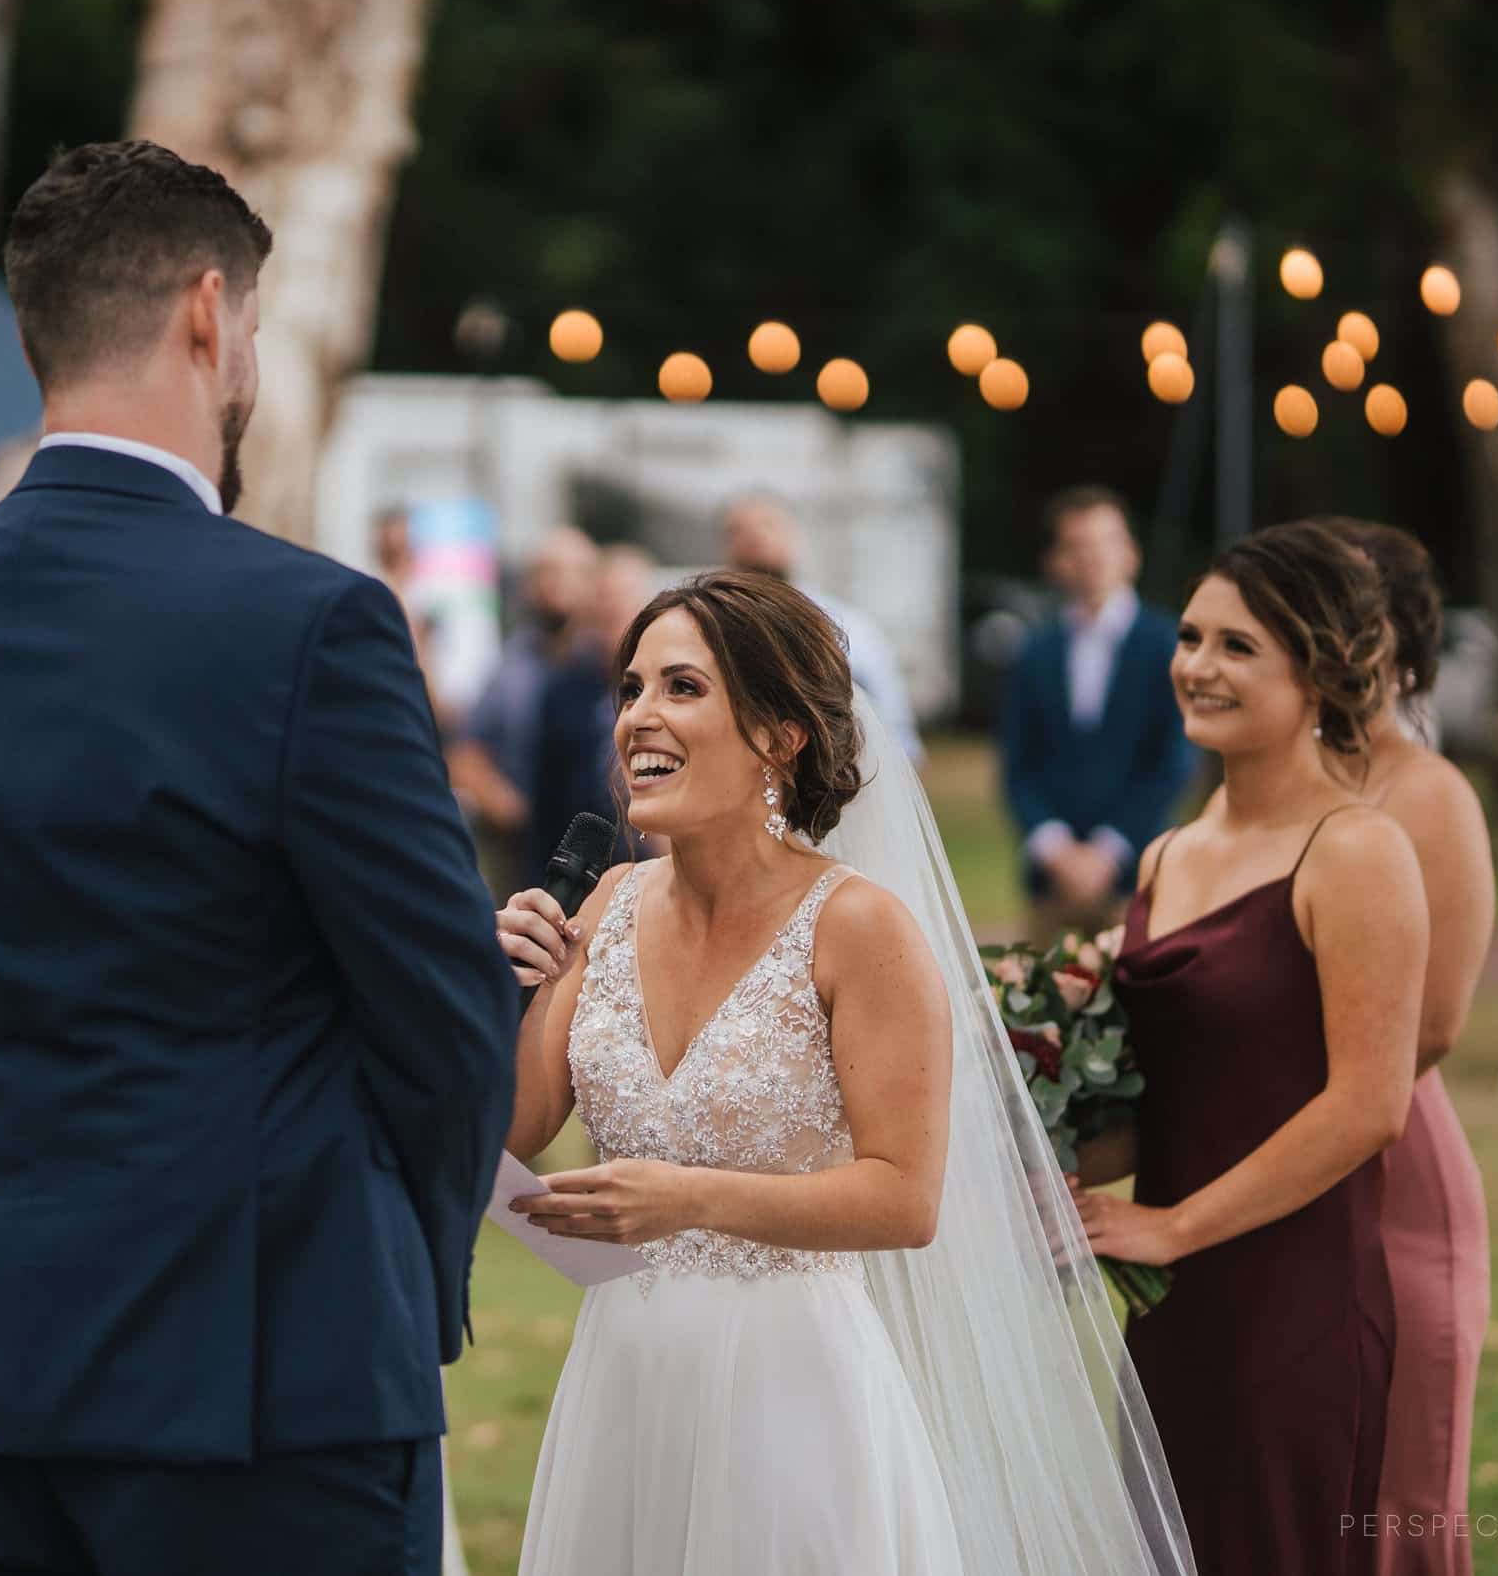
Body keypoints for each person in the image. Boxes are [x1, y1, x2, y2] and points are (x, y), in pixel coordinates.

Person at [0, 139, 514, 1576]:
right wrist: (415, 1276)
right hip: (272, 1371)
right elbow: (448, 1017)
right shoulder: (313, 624)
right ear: (209, 316)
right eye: (258, 330)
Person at [492, 569, 1192, 1575]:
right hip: (624, 1378)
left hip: (791, 1385)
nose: (638, 716)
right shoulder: (601, 903)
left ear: (779, 735)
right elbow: (510, 1133)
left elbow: (903, 1199)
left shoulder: (857, 926)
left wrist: (683, 1198)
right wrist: (499, 989)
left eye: (682, 688)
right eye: (632, 688)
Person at [1074, 521, 1429, 1576]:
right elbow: (1165, 1092)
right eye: (1189, 637)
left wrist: (1175, 1225)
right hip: (1168, 1303)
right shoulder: (1168, 854)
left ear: (1318, 671)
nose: (1196, 667)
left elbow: (1371, 1105)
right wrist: (1037, 1174)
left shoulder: (1357, 850)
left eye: (1237, 647)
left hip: (1291, 1301)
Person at [1202, 520, 1490, 1576]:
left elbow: (1434, 1025)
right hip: (1262, 1182)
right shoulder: (1253, 784)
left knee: (1397, 1505)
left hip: (1394, 1179)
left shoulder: (1427, 797)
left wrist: (1258, 1107)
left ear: (1388, 646)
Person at [998, 487, 1199, 940]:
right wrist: (1056, 849)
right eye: (1078, 546)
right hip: (1051, 887)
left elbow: (1173, 762)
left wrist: (1108, 853)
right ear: (1056, 561)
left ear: (1131, 554)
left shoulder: (1167, 646)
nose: (1093, 558)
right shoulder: (1034, 652)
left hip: (1136, 882)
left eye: (1106, 542)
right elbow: (1017, 765)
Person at [447, 526, 602, 891]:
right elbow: (467, 751)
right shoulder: (514, 663)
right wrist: (504, 805)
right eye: (546, 570)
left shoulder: (609, 658)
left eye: (570, 571)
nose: (556, 582)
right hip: (528, 851)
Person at [721, 492, 922, 761]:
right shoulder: (713, 626)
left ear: (794, 535)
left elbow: (892, 718)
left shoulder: (848, 625)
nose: (755, 538)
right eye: (740, 531)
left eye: (768, 525)